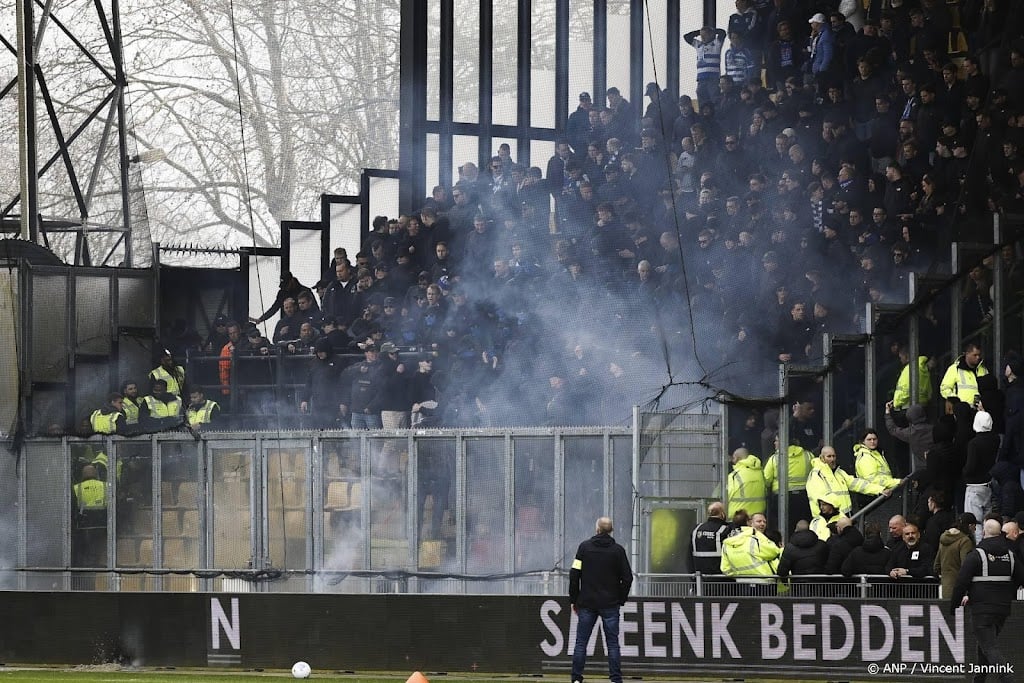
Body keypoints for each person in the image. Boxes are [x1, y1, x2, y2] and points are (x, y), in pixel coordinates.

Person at [951, 518, 1024, 683]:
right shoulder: (1010, 555)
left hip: (981, 610)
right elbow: (1021, 578)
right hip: (1002, 609)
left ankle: (1007, 678)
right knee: (984, 646)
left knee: (989, 647)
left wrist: (954, 605)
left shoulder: (976, 554)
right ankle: (979, 680)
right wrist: (1008, 591)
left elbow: (961, 582)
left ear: (984, 532)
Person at [568, 516, 633, 683]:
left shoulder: (584, 548)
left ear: (597, 529)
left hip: (587, 602)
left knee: (581, 643)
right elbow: (627, 578)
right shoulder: (618, 551)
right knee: (612, 644)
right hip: (610, 603)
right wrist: (620, 599)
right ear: (611, 530)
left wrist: (574, 599)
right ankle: (615, 679)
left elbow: (574, 574)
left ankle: (576, 678)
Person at [805, 445, 895, 517]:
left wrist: (880, 489)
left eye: (834, 456)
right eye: (829, 456)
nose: (832, 459)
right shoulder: (816, 475)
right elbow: (822, 499)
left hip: (846, 517)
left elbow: (857, 484)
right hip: (830, 520)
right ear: (822, 458)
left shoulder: (839, 472)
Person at [721, 510, 781, 593]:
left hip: (742, 584)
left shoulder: (727, 543)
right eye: (759, 521)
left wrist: (739, 574)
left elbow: (725, 569)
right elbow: (775, 551)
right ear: (750, 523)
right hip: (764, 583)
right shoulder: (755, 539)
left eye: (764, 522)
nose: (763, 524)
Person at [934, 512, 977, 599]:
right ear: (970, 526)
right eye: (974, 526)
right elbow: (966, 566)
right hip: (960, 590)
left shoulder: (943, 539)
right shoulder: (965, 541)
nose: (975, 529)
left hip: (945, 589)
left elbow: (936, 566)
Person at [72, 464, 107, 567]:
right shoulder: (105, 486)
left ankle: (85, 563)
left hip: (83, 526)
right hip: (103, 524)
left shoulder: (76, 488)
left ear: (82, 475)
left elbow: (73, 508)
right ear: (96, 474)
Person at [684, 26, 727, 107]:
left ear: (711, 35)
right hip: (701, 79)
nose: (703, 37)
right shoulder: (699, 45)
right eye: (702, 36)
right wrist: (699, 32)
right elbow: (686, 37)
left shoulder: (716, 44)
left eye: (705, 35)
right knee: (702, 100)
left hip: (713, 78)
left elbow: (722, 32)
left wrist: (712, 31)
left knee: (714, 99)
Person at [690, 501, 731, 578]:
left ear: (708, 514)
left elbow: (689, 555)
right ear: (722, 514)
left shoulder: (696, 529)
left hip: (700, 578)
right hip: (721, 578)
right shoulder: (726, 529)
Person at [726, 447, 767, 516]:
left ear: (737, 458)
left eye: (733, 458)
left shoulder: (734, 476)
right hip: (758, 516)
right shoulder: (760, 473)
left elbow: (726, 496)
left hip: (739, 516)